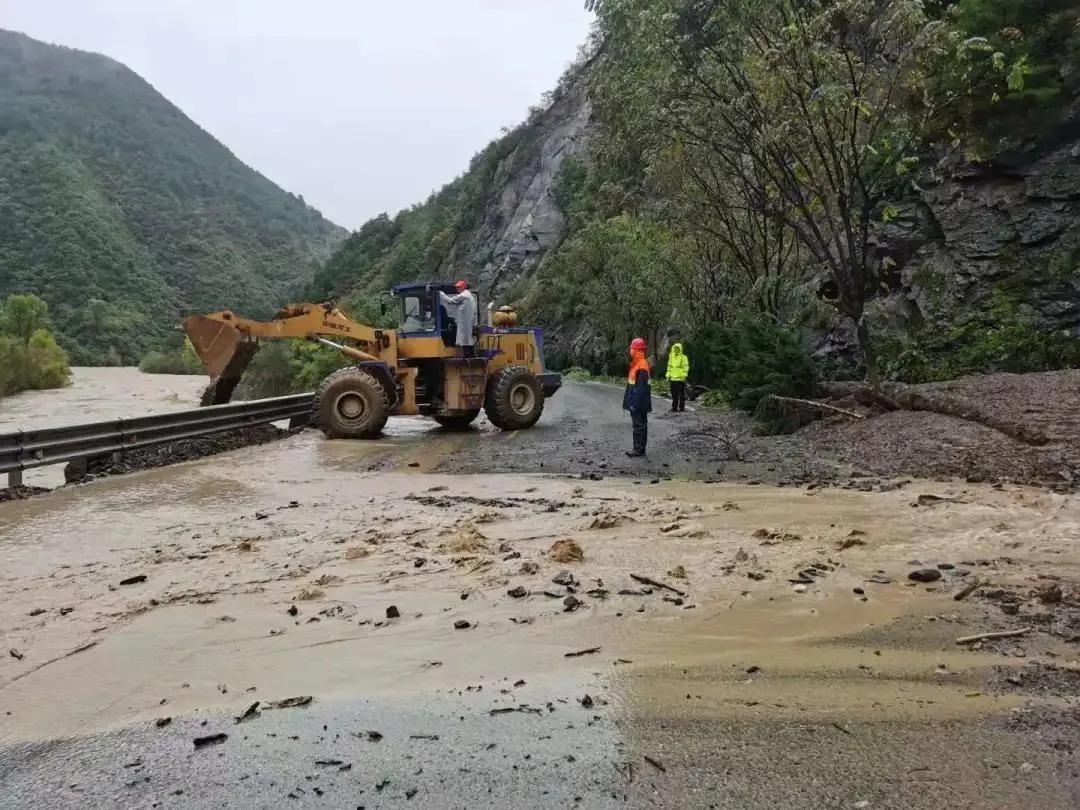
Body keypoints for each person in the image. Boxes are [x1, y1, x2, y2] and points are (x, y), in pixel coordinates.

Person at [622, 337, 652, 458]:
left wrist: (634, 404)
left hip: (638, 402)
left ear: (636, 350)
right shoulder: (638, 364)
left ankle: (638, 449)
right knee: (640, 425)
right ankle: (639, 448)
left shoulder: (641, 365)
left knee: (639, 425)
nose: (630, 351)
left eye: (632, 349)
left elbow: (640, 389)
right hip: (639, 401)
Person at [437, 280, 478, 357]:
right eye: (457, 287)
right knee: (466, 338)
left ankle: (468, 355)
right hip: (465, 319)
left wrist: (441, 294)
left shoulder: (463, 295)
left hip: (464, 320)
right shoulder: (468, 295)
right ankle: (469, 354)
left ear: (463, 287)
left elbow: (450, 301)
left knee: (464, 338)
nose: (457, 289)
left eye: (459, 287)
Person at [666, 340, 690, 412]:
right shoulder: (671, 357)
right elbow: (669, 367)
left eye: (677, 348)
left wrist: (684, 376)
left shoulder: (683, 357)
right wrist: (668, 376)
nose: (676, 350)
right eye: (675, 348)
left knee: (681, 395)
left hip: (680, 379)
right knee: (674, 395)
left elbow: (686, 367)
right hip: (673, 379)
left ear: (680, 349)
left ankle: (682, 408)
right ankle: (674, 407)